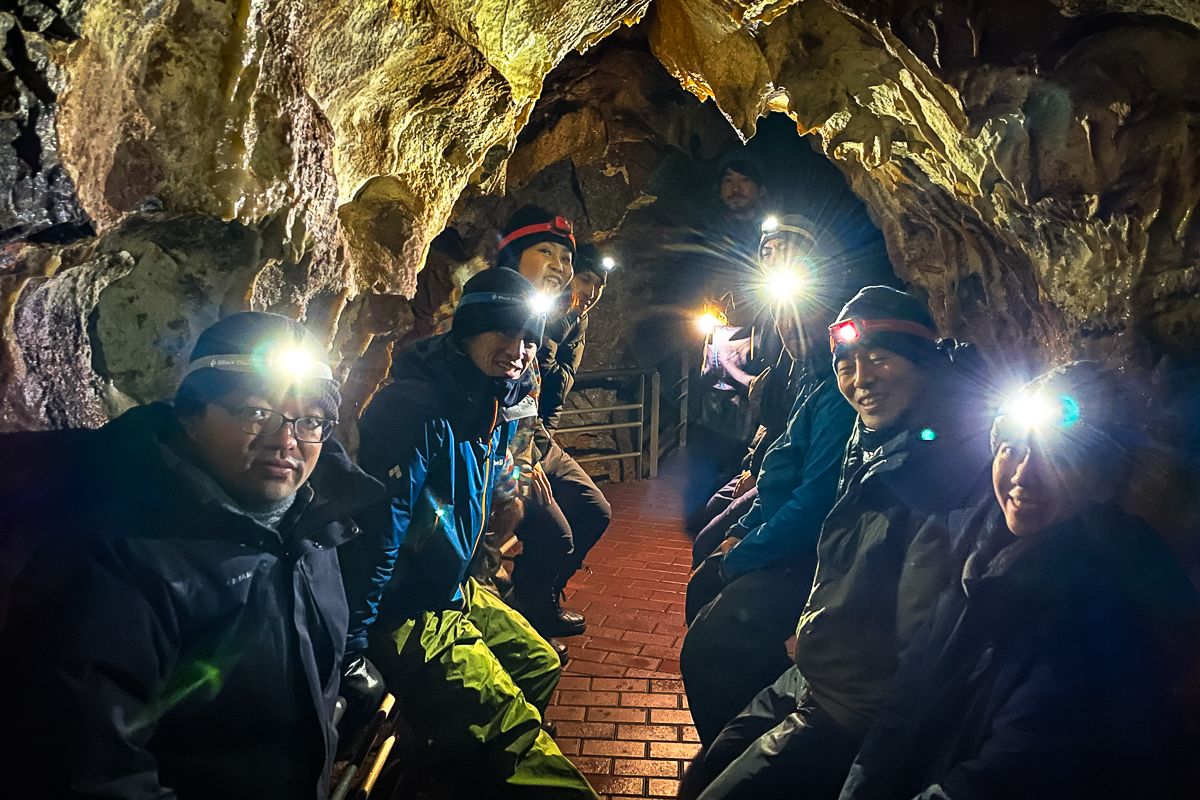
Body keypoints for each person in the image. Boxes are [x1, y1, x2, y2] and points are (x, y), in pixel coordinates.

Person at [2, 312, 382, 800]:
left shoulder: (314, 531)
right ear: (190, 414)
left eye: (310, 421)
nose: (286, 440)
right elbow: (88, 773)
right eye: (256, 412)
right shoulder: (113, 561)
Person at [681, 286, 995, 800]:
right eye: (847, 365)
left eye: (879, 359)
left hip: (856, 705)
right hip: (818, 673)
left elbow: (928, 638)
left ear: (921, 364)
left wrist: (884, 761)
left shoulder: (944, 472)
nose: (861, 379)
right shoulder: (873, 441)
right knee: (702, 775)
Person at [840, 361, 1200, 800]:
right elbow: (913, 687)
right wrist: (864, 780)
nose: (1024, 475)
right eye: (1010, 446)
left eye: (1058, 458)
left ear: (1104, 482)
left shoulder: (1110, 600)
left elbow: (1023, 759)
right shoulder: (981, 545)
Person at [341, 268, 598, 799]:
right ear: (467, 330)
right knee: (523, 747)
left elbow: (489, 473)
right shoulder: (415, 408)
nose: (519, 349)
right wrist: (353, 644)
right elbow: (380, 532)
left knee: (539, 662)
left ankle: (463, 774)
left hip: (450, 586)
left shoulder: (490, 399)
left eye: (529, 338)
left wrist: (510, 486)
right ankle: (491, 765)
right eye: (503, 332)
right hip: (405, 608)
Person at [681, 216, 859, 746]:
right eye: (784, 320)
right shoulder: (801, 371)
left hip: (812, 550)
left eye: (802, 319)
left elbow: (812, 502)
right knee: (709, 548)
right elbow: (782, 450)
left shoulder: (836, 391)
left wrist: (743, 549)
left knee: (713, 619)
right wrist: (748, 515)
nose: (790, 329)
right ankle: (733, 728)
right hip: (785, 510)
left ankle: (738, 736)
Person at [488, 208, 612, 641]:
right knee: (556, 534)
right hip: (499, 451)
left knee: (595, 510)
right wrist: (521, 463)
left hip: (534, 438)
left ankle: (541, 591)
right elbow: (491, 405)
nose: (560, 267)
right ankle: (528, 610)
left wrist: (538, 449)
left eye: (567, 259)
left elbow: (539, 396)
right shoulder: (495, 307)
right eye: (546, 253)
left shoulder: (550, 316)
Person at [684, 154, 779, 531]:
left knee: (749, 420)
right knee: (713, 417)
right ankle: (708, 511)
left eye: (743, 180)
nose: (735, 188)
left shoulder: (770, 235)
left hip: (755, 341)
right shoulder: (714, 231)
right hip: (718, 339)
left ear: (761, 189)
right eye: (728, 181)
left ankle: (737, 509)